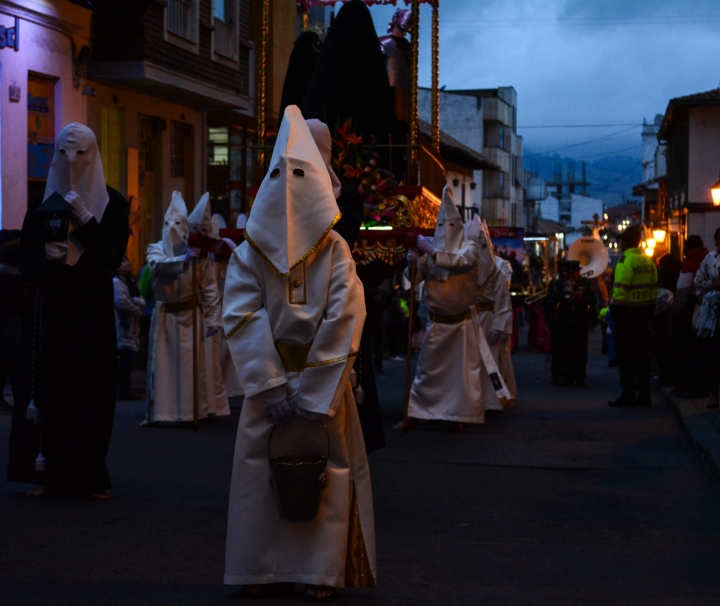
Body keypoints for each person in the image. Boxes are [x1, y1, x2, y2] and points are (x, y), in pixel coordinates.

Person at [222, 106, 375, 600]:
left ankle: (317, 571)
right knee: (259, 473)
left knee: (325, 475)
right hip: (275, 389)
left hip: (318, 390)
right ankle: (257, 568)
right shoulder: (249, 252)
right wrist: (268, 383)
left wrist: (312, 392)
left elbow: (344, 318)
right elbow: (241, 315)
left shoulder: (335, 251)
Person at [7, 123, 130, 498]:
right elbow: (25, 259)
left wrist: (88, 220)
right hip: (50, 311)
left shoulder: (112, 204)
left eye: (80, 154)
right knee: (50, 388)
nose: (72, 163)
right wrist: (44, 258)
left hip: (91, 313)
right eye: (64, 154)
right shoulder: (41, 206)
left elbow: (112, 256)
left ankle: (89, 472)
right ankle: (50, 470)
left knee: (90, 390)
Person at [404, 187, 508, 430]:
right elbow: (416, 278)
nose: (445, 231)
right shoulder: (432, 248)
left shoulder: (469, 248)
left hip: (461, 325)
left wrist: (431, 252)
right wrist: (413, 262)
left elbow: (461, 264)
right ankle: (418, 413)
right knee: (427, 374)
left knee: (461, 377)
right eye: (441, 226)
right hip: (436, 322)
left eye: (450, 226)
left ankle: (459, 416)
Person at [144, 191, 222, 424]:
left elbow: (209, 288)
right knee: (163, 368)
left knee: (190, 368)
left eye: (178, 224)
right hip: (165, 317)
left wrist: (213, 319)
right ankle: (161, 412)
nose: (172, 228)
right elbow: (158, 266)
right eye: (168, 223)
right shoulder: (154, 248)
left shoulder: (200, 256)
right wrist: (184, 260)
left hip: (191, 316)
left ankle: (191, 411)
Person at [464, 216, 517, 407]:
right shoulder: (464, 265)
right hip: (469, 318)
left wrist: (500, 325)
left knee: (492, 360)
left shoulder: (499, 268)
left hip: (488, 317)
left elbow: (503, 299)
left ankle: (492, 399)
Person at [187, 194, 231, 417]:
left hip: (211, 312)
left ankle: (214, 405)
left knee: (212, 363)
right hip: (192, 312)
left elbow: (215, 285)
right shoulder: (188, 250)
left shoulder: (217, 250)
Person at [608, 227, 658, 407]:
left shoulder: (624, 262)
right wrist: (650, 314)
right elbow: (654, 292)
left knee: (626, 358)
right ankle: (644, 395)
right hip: (645, 316)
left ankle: (628, 394)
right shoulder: (649, 261)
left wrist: (615, 318)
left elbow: (619, 294)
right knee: (643, 358)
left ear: (626, 242)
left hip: (627, 318)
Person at [545, 260, 597, 387]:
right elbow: (551, 300)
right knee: (564, 351)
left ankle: (579, 378)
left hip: (580, 322)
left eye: (576, 271)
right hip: (564, 322)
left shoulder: (585, 283)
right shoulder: (558, 284)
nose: (575, 274)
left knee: (580, 352)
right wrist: (563, 292)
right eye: (572, 272)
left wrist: (581, 298)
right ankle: (565, 377)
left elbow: (593, 299)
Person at [672, 235, 708, 397]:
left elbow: (682, 292)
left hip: (689, 311)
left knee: (688, 350)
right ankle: (705, 385)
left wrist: (677, 312)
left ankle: (692, 386)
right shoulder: (708, 261)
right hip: (707, 310)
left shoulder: (689, 266)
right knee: (704, 350)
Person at [693, 227, 720, 409]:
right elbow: (698, 281)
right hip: (713, 314)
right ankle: (714, 394)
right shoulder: (710, 258)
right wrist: (713, 285)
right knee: (713, 355)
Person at [114, 256, 145, 400]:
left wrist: (136, 303)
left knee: (129, 360)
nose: (127, 263)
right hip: (122, 325)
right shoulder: (116, 282)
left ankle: (125, 390)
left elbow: (141, 299)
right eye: (123, 261)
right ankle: (121, 391)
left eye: (127, 260)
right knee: (124, 360)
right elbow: (122, 303)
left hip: (132, 326)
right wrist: (137, 309)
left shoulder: (131, 282)